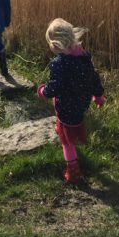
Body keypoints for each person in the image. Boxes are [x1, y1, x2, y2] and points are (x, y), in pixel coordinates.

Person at [37, 18, 105, 183]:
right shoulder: (84, 57)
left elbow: (54, 88)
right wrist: (98, 95)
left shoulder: (59, 64)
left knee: (67, 143)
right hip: (81, 102)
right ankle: (61, 127)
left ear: (54, 45)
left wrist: (42, 91)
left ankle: (73, 171)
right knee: (66, 116)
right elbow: (93, 78)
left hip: (67, 105)